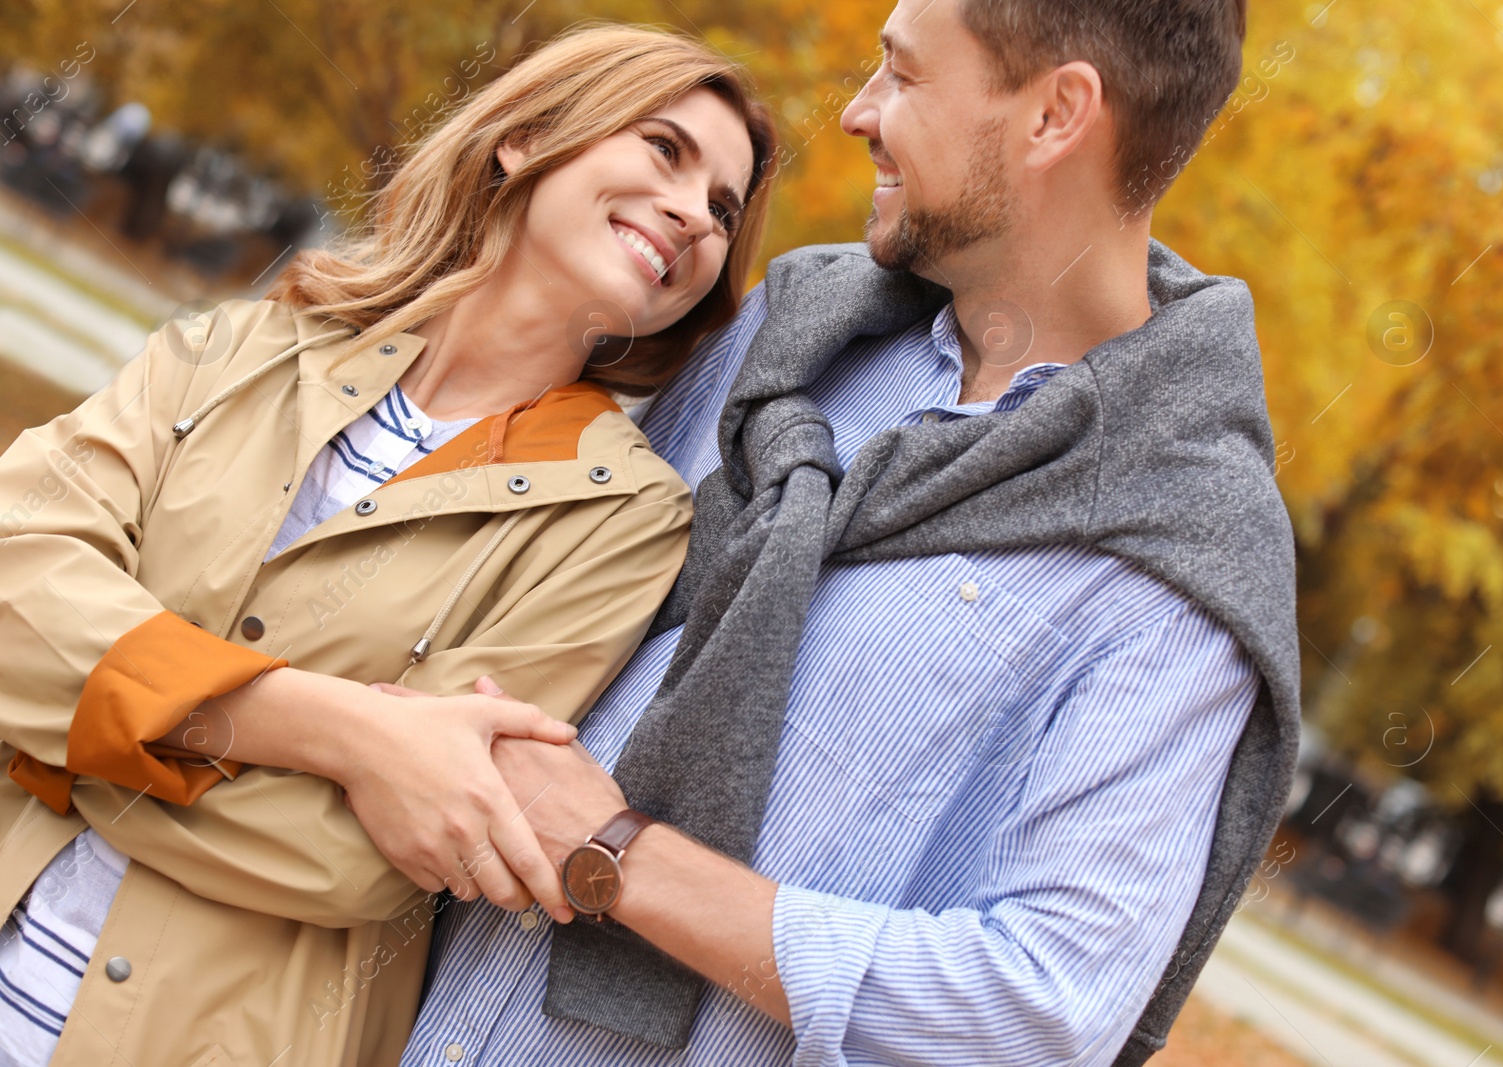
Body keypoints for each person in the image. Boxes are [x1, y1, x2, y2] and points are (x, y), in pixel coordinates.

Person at [169, 1, 1297, 1065]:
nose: (858, 113)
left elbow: (1043, 1010)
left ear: (1054, 115)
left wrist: (621, 858)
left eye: (902, 73)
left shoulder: (1177, 557)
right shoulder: (791, 336)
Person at [0, 25, 774, 1067]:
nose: (694, 213)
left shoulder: (622, 525)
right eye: (665, 149)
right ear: (526, 139)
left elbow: (366, 855)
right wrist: (355, 735)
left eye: (725, 210)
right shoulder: (244, 347)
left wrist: (55, 727)